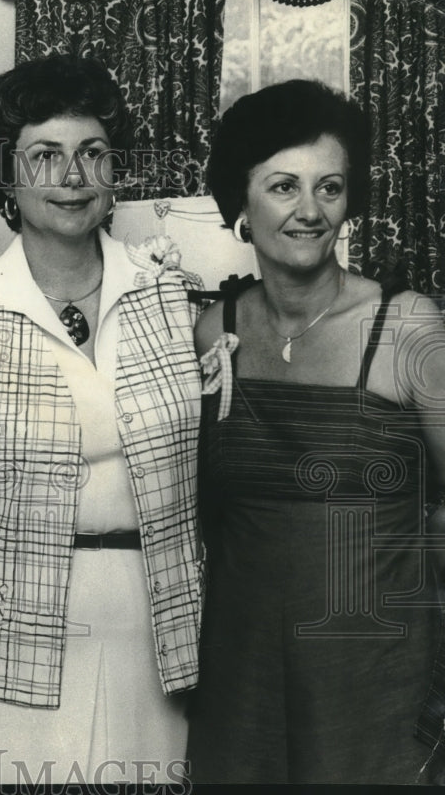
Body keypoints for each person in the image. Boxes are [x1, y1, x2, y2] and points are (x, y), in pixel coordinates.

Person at [0, 54, 204, 786]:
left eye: (92, 153)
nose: (72, 176)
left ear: (114, 171)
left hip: (155, 628)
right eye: (44, 155)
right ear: (5, 177)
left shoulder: (173, 299)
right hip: (3, 637)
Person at [187, 79, 445, 784]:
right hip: (240, 681)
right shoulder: (217, 329)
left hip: (374, 680)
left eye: (328, 188)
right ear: (240, 200)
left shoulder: (408, 327)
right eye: (282, 187)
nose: (309, 212)